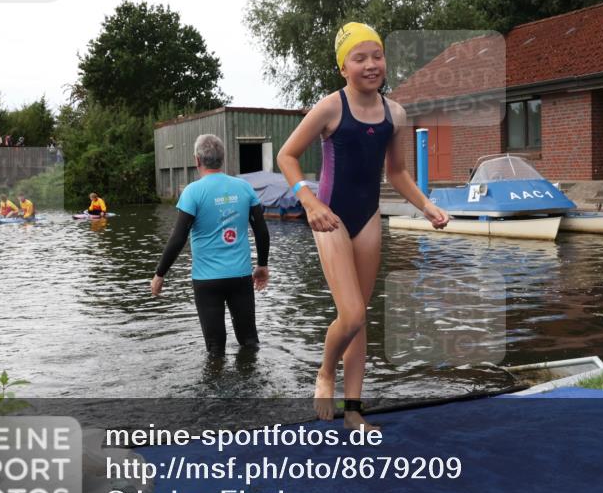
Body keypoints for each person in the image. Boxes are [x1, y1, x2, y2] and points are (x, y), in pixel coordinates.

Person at [277, 22, 450, 429]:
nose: (371, 65)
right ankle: (324, 373)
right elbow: (287, 156)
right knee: (350, 313)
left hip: (368, 218)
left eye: (377, 56)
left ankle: (354, 411)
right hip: (331, 217)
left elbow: (398, 172)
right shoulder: (330, 108)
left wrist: (427, 206)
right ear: (343, 67)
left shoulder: (396, 113)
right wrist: (310, 201)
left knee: (361, 318)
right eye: (360, 58)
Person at [151, 134, 271, 357]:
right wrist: (262, 265)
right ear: (222, 159)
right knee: (249, 341)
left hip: (207, 281)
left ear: (197, 160)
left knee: (215, 349)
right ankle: (252, 385)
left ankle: (215, 386)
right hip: (240, 277)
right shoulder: (244, 188)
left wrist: (160, 274)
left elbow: (178, 238)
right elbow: (262, 231)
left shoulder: (192, 192)